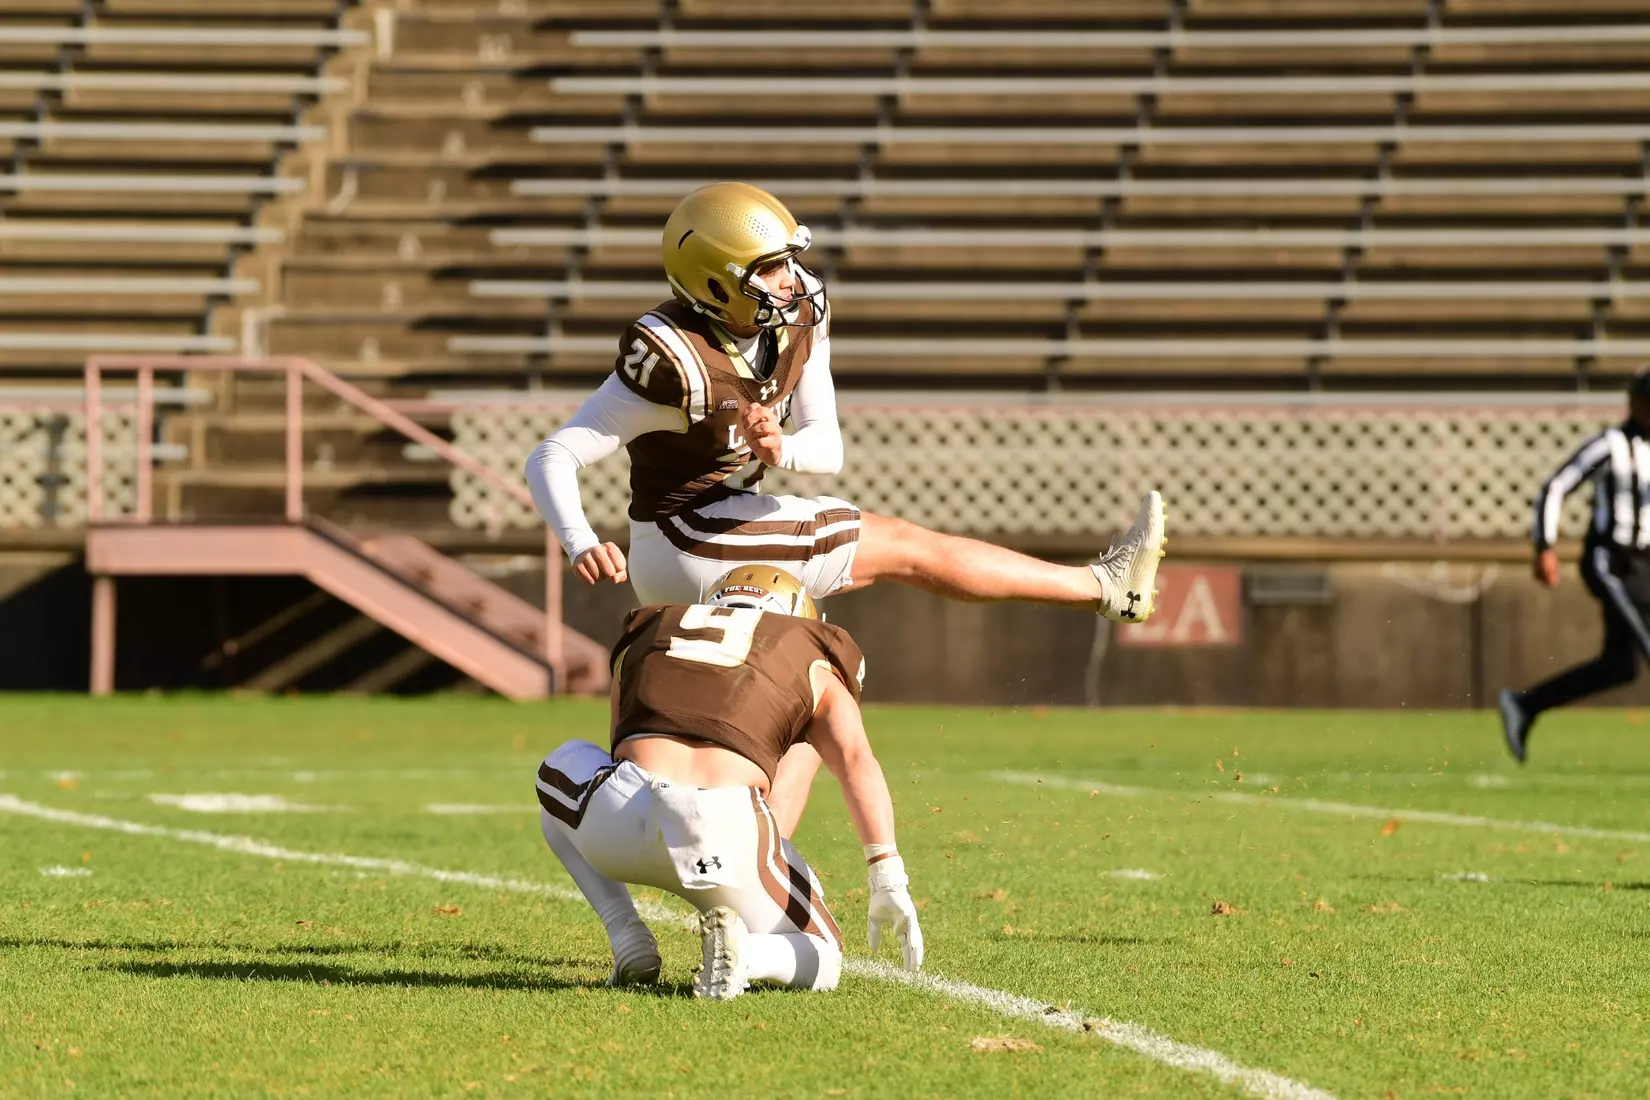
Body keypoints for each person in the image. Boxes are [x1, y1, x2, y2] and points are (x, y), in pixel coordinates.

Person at [523, 181, 1166, 623]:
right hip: (686, 538)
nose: (789, 279)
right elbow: (552, 455)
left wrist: (784, 447)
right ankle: (1103, 587)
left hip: (735, 520)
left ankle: (758, 825)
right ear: (715, 282)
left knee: (811, 685)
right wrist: (581, 541)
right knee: (911, 549)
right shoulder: (675, 360)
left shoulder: (801, 311)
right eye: (768, 268)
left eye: (787, 262)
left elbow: (826, 449)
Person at [534, 565, 923, 1000]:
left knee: (559, 775)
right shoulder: (812, 655)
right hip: (724, 834)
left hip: (618, 823)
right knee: (825, 951)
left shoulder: (649, 628)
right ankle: (749, 954)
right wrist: (886, 876)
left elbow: (617, 745)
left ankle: (625, 930)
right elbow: (856, 762)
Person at [1499, 367, 1650, 762]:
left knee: (1620, 667)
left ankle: (1526, 705)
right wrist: (1544, 546)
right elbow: (1557, 485)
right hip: (1611, 560)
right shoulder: (1611, 444)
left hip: (1647, 566)